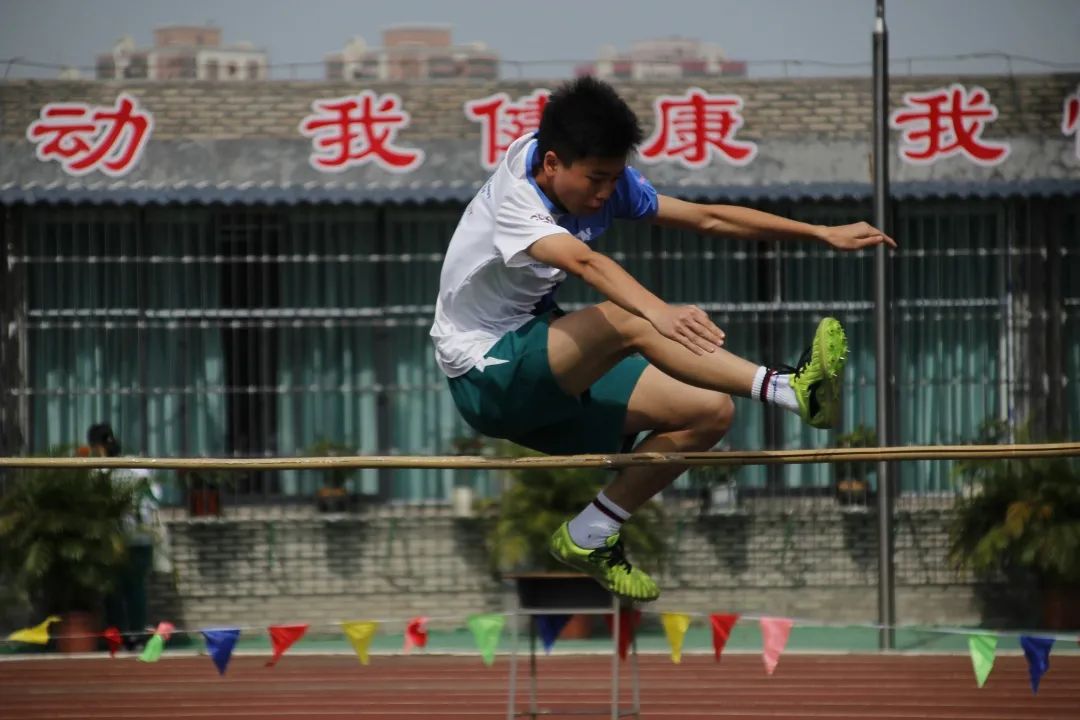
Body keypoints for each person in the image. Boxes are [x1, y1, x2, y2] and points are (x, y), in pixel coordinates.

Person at [430, 77, 895, 602]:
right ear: (553, 163)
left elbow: (708, 217)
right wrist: (656, 314)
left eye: (614, 178)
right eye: (596, 180)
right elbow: (585, 262)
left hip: (539, 355)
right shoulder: (516, 199)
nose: (607, 193)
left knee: (708, 412)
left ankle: (591, 533)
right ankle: (788, 390)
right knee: (626, 317)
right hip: (484, 373)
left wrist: (819, 233)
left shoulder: (601, 177)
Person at [86, 423, 161, 649]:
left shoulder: (99, 472)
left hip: (116, 539)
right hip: (142, 536)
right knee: (134, 588)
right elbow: (156, 497)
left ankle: (120, 635)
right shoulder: (139, 467)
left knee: (115, 590)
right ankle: (135, 636)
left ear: (97, 447)